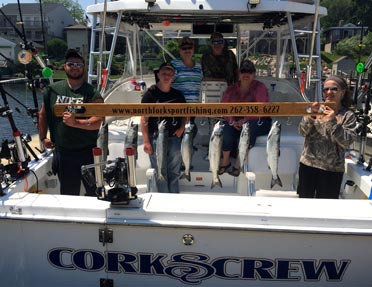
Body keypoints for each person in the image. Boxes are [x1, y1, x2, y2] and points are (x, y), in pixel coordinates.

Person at [38, 48, 104, 196]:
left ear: (84, 68)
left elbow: (98, 120)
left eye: (79, 64)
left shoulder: (92, 93)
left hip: (88, 152)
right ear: (65, 66)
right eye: (71, 64)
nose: (75, 67)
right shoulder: (52, 90)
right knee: (68, 193)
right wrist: (42, 137)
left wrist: (76, 123)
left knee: (95, 192)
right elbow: (43, 115)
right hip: (63, 153)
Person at [297, 75, 358, 199]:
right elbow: (302, 132)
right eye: (326, 89)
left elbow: (347, 141)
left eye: (334, 89)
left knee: (326, 211)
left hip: (332, 171)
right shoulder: (315, 109)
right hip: (308, 167)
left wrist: (332, 121)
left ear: (342, 92)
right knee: (303, 208)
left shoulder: (348, 115)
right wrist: (310, 116)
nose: (329, 92)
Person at [218, 59, 272, 177]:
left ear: (254, 74)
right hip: (236, 121)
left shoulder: (260, 87)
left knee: (250, 128)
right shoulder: (231, 89)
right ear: (239, 73)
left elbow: (261, 109)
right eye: (243, 71)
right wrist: (232, 121)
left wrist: (245, 120)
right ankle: (225, 161)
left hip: (259, 121)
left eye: (249, 71)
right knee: (226, 128)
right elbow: (224, 107)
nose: (246, 74)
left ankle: (239, 163)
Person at [140, 62, 187, 193]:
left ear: (173, 77)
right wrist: (146, 141)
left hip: (174, 138)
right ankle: (163, 199)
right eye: (164, 73)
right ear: (159, 75)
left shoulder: (178, 95)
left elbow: (186, 114)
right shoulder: (150, 93)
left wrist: (182, 128)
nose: (167, 76)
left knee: (174, 172)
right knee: (160, 171)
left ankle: (174, 198)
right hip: (155, 138)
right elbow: (144, 118)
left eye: (170, 74)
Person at [171, 36, 203, 138]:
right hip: (177, 110)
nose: (187, 50)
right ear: (180, 50)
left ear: (193, 49)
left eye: (189, 47)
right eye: (184, 48)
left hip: (193, 109)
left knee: (190, 133)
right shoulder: (173, 65)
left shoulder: (199, 67)